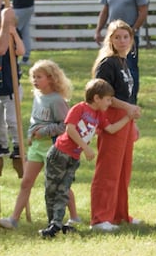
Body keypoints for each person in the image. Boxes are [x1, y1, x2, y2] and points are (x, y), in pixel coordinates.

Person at [43, 78, 129, 238]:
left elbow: (110, 129)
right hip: (59, 154)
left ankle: (56, 223)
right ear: (97, 98)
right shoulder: (80, 109)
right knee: (51, 190)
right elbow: (70, 129)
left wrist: (128, 118)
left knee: (63, 190)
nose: (110, 103)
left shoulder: (99, 115)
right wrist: (86, 147)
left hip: (73, 158)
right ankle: (52, 223)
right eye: (108, 99)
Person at [2, 60, 79, 231]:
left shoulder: (57, 100)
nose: (35, 80)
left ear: (51, 78)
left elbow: (65, 125)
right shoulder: (38, 96)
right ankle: (13, 219)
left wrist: (43, 131)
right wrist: (31, 135)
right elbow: (34, 121)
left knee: (59, 184)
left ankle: (74, 217)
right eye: (33, 77)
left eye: (39, 77)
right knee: (26, 182)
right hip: (36, 148)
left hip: (53, 148)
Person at [90, 20, 144, 229]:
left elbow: (125, 94)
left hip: (125, 119)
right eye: (117, 37)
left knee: (123, 170)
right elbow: (103, 95)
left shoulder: (124, 61)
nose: (122, 41)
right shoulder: (108, 63)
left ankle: (119, 215)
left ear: (131, 39)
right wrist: (128, 109)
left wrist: (131, 118)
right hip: (111, 117)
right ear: (110, 39)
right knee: (108, 170)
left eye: (126, 37)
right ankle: (100, 218)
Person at [96, 0, 148, 81]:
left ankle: (131, 98)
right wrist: (98, 30)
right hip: (113, 35)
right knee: (110, 64)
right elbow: (104, 11)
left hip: (128, 35)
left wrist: (133, 30)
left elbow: (143, 12)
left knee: (130, 66)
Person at [0, 5, 24, 158]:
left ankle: (17, 144)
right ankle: (2, 144)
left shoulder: (13, 35)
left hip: (11, 88)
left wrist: (14, 34)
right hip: (0, 89)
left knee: (11, 120)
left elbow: (21, 51)